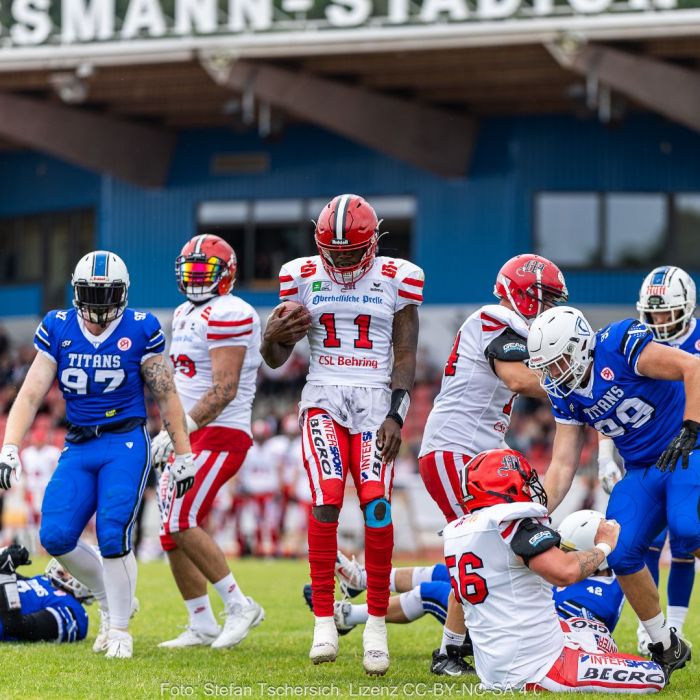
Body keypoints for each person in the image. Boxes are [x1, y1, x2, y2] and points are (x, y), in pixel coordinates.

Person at [0, 251, 195, 659]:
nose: (99, 304)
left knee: (113, 533)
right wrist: (10, 447)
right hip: (79, 443)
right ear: (76, 291)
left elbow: (166, 393)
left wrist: (184, 453)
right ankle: (110, 600)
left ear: (123, 294)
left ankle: (120, 629)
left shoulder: (141, 328)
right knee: (54, 535)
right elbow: (32, 392)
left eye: (107, 295)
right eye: (91, 293)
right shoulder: (59, 325)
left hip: (124, 441)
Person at [261, 194, 424, 675]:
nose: (344, 261)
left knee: (376, 502)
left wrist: (397, 413)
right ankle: (323, 622)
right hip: (324, 396)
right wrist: (273, 334)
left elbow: (406, 354)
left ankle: (375, 623)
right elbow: (274, 359)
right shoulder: (300, 274)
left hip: (377, 399)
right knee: (327, 498)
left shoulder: (399, 277)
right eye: (335, 253)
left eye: (353, 252)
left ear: (373, 244)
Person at [528, 304, 700, 679]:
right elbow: (561, 467)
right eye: (546, 367)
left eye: (556, 363)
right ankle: (664, 644)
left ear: (577, 347)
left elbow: (693, 366)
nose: (552, 374)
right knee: (619, 550)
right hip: (641, 469)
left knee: (687, 528)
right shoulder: (565, 393)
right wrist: (531, 509)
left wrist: (692, 427)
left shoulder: (618, 344)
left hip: (685, 449)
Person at [418, 253, 568, 674]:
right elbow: (518, 379)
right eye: (548, 300)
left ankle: (457, 646)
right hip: (456, 449)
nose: (550, 310)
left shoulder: (506, 323)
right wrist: (575, 386)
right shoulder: (494, 317)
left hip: (476, 453)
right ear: (524, 294)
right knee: (478, 544)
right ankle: (450, 652)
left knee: (484, 545)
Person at [443, 448, 665, 692]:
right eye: (524, 482)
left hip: (493, 668)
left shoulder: (458, 531)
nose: (530, 489)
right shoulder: (510, 520)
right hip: (539, 667)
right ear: (503, 483)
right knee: (654, 675)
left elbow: (458, 598)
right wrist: (604, 545)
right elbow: (565, 572)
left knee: (582, 630)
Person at [151, 234, 264, 649]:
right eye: (190, 271)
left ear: (226, 275)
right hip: (191, 433)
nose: (196, 279)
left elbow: (223, 390)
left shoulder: (232, 311)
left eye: (205, 271)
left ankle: (240, 606)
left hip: (219, 432)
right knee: (169, 529)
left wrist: (179, 431)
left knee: (182, 519)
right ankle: (201, 621)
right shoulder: (182, 311)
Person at [598, 265, 698, 652]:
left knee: (687, 535)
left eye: (666, 313)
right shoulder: (636, 345)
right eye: (652, 313)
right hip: (651, 457)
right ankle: (655, 631)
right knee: (646, 542)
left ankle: (674, 623)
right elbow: (607, 402)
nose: (658, 320)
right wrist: (605, 456)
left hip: (693, 449)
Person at [0, 545, 89, 643]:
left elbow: (15, 626)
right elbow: (7, 580)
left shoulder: (73, 610)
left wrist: (5, 572)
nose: (65, 566)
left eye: (75, 567)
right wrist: (8, 557)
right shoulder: (45, 581)